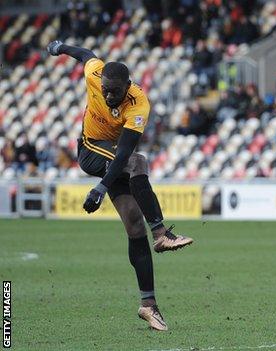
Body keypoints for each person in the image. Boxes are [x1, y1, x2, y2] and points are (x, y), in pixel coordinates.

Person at [47, 40, 194, 331]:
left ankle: (148, 306)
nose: (110, 95)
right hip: (91, 150)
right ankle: (162, 233)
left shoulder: (139, 104)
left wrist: (101, 188)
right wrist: (60, 47)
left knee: (134, 225)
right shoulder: (95, 74)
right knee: (137, 163)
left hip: (115, 156)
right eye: (106, 90)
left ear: (129, 86)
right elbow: (86, 55)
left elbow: (124, 151)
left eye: (116, 91)